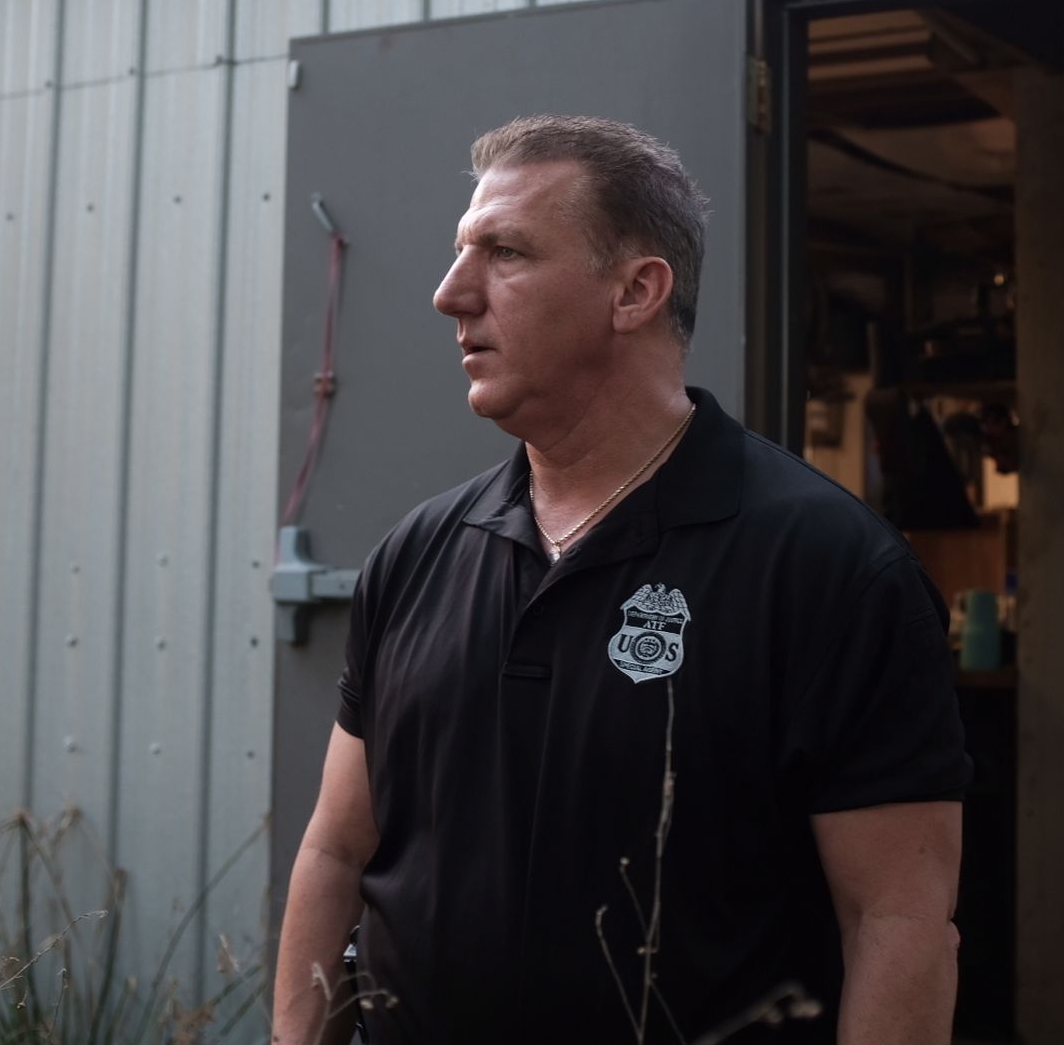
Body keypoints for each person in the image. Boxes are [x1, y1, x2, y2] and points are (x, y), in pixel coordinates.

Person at [273, 115, 970, 1045]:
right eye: (458, 254)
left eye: (506, 252)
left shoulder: (831, 569)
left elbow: (898, 924)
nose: (450, 294)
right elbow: (336, 848)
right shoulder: (419, 553)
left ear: (636, 291)